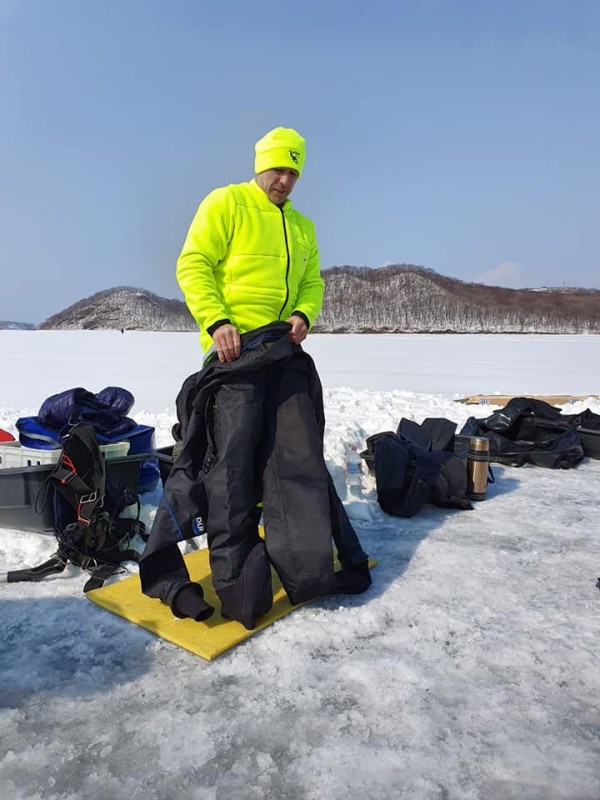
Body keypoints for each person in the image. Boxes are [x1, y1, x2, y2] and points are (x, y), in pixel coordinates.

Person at [139, 127, 370, 629]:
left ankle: (306, 568)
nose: (284, 180)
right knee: (233, 469)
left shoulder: (303, 226)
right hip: (236, 354)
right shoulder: (227, 203)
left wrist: (305, 314)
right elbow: (193, 263)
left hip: (282, 352)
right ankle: (238, 578)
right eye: (277, 169)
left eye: (293, 171)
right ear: (259, 164)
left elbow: (312, 281)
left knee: (298, 457)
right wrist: (218, 322)